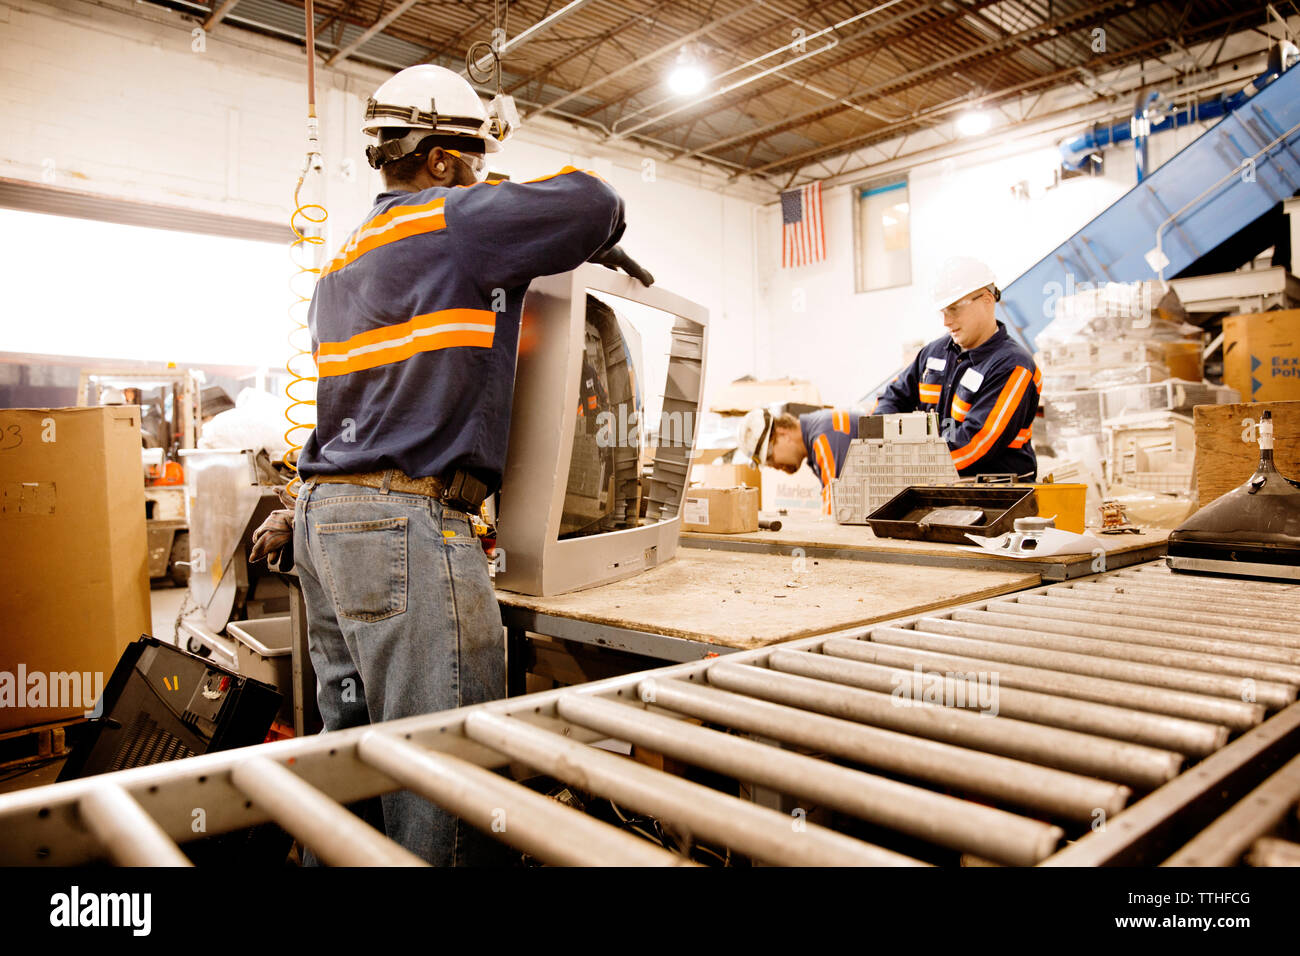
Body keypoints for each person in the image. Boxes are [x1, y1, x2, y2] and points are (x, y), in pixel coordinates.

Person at [250, 64, 647, 865]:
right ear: (437, 160)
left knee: (357, 763)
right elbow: (596, 198)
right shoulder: (455, 222)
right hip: (408, 528)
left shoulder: (345, 261)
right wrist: (574, 230)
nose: (478, 175)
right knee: (448, 781)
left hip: (328, 526)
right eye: (472, 158)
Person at [874, 256, 1041, 480]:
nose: (946, 321)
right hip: (939, 486)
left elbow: (973, 446)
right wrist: (879, 444)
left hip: (996, 497)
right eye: (943, 312)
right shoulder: (933, 353)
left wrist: (907, 465)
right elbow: (892, 398)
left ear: (987, 300)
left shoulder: (1013, 366)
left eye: (954, 309)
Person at [737, 407, 863, 513]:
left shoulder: (824, 437)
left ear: (782, 433)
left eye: (769, 458)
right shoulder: (816, 431)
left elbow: (838, 512)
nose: (774, 466)